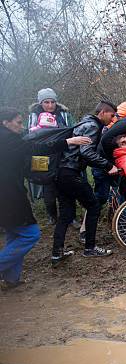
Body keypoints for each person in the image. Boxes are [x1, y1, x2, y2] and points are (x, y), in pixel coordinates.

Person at [0, 108, 90, 288]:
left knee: (14, 234)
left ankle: (11, 279)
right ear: (6, 123)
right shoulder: (8, 140)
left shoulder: (7, 138)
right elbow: (38, 147)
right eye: (18, 122)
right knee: (31, 234)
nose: (21, 126)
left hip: (8, 193)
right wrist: (68, 141)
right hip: (9, 196)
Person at [51, 101, 120, 266]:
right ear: (102, 112)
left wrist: (102, 166)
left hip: (60, 173)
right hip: (70, 172)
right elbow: (86, 152)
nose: (112, 120)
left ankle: (56, 253)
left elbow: (84, 154)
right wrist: (108, 165)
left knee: (66, 214)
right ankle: (90, 248)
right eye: (111, 116)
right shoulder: (93, 126)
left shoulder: (83, 123)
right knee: (94, 205)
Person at [27, 88, 78, 226]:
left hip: (64, 155)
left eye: (52, 102)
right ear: (40, 103)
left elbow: (72, 131)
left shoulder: (65, 115)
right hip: (44, 157)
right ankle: (52, 216)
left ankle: (71, 217)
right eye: (46, 102)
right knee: (48, 189)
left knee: (67, 188)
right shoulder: (34, 116)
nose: (50, 105)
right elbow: (31, 137)